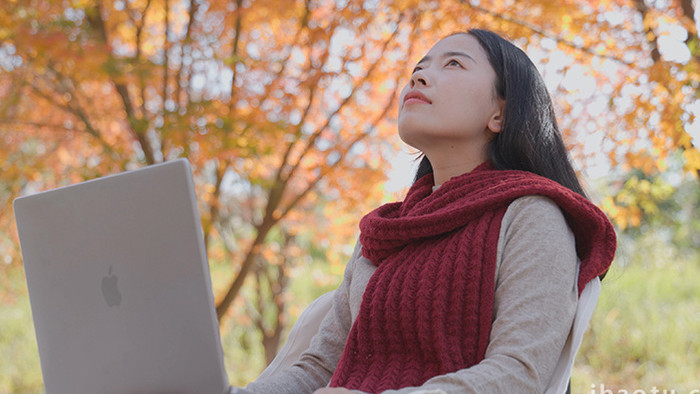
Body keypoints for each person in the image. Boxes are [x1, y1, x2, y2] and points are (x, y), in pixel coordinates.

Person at [234, 28, 617, 393]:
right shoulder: (388, 232)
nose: (418, 77)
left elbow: (519, 375)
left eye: (453, 64)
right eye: (418, 67)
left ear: (499, 114)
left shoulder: (532, 216)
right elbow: (319, 368)